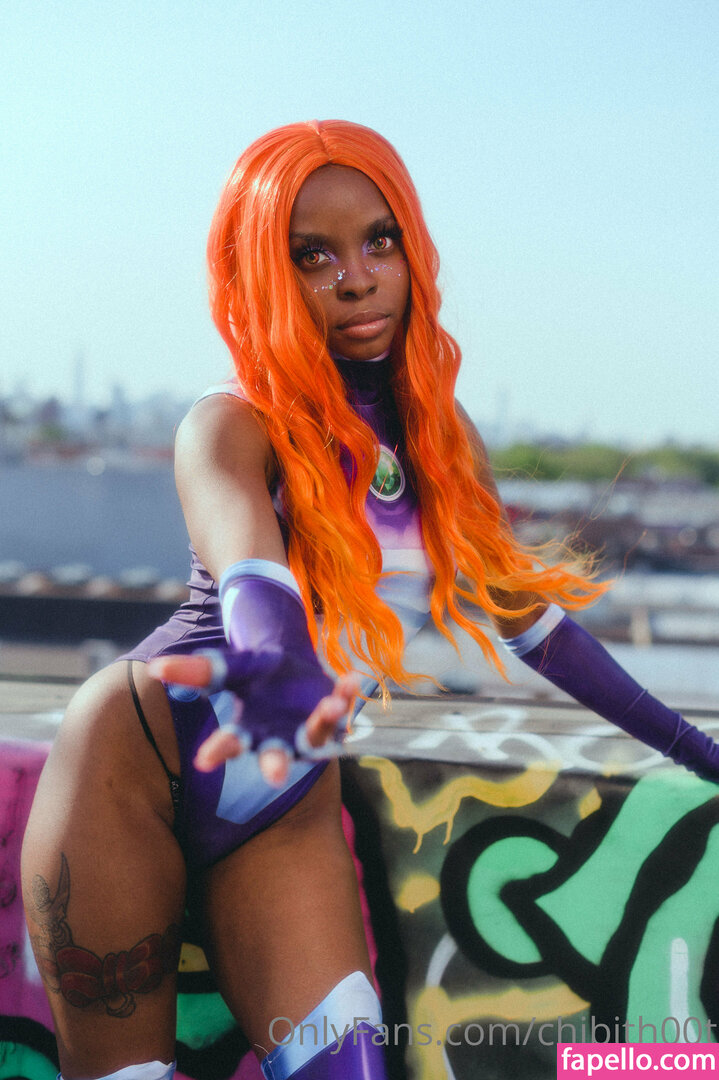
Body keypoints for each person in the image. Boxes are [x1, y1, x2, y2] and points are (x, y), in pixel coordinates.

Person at [21, 120, 719, 1080]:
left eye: (378, 241)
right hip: (132, 763)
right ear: (261, 275)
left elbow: (535, 629)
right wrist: (276, 661)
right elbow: (252, 580)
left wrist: (699, 751)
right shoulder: (228, 424)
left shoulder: (440, 435)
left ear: (411, 252)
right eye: (312, 256)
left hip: (283, 797)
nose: (355, 278)